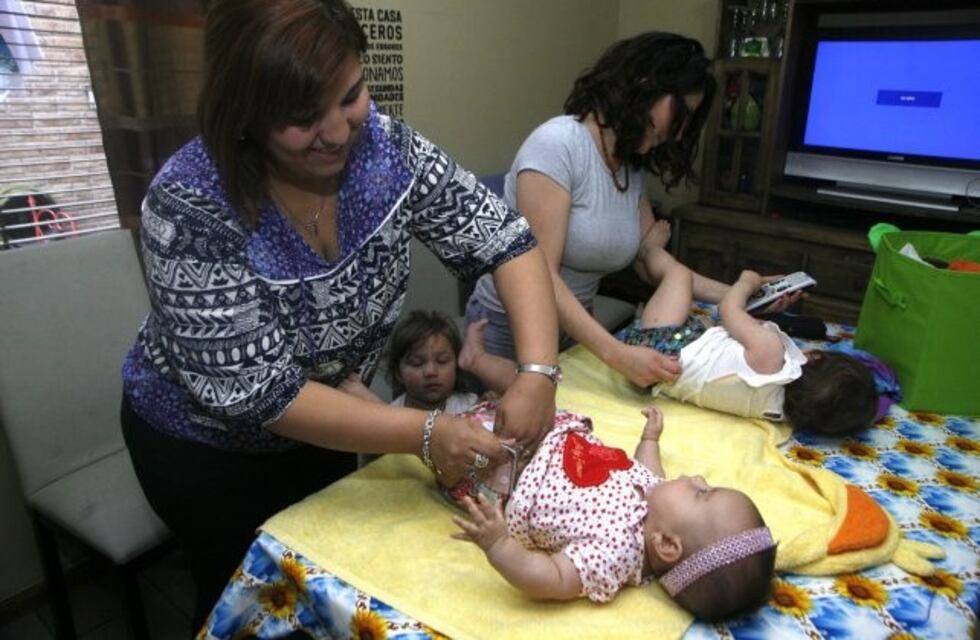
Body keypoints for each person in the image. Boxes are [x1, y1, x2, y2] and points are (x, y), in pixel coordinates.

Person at [119, 0, 560, 628]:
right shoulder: (190, 204)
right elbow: (262, 394)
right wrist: (422, 432)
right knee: (248, 599)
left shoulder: (386, 148)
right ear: (244, 113)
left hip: (331, 421)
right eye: (302, 119)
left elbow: (505, 239)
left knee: (325, 583)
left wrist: (538, 371)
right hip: (206, 449)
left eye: (350, 95)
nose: (337, 131)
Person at [466, 32, 729, 388]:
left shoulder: (629, 165)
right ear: (645, 85)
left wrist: (737, 294)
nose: (680, 132)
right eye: (680, 112)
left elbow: (647, 259)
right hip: (510, 328)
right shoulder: (558, 145)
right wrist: (617, 354)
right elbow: (540, 277)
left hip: (574, 329)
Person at [450, 405, 776, 621]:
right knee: (514, 399)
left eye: (702, 493)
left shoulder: (615, 554)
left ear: (667, 544)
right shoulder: (656, 499)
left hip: (509, 477)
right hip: (553, 434)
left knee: (456, 442)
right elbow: (647, 469)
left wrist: (498, 544)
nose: (698, 478)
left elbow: (553, 577)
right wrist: (650, 439)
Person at [620, 247, 877, 434]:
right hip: (661, 377)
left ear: (817, 356)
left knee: (679, 274)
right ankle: (645, 316)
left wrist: (747, 282)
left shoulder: (770, 351)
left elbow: (728, 309)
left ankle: (646, 248)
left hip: (658, 346)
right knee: (705, 325)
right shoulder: (781, 413)